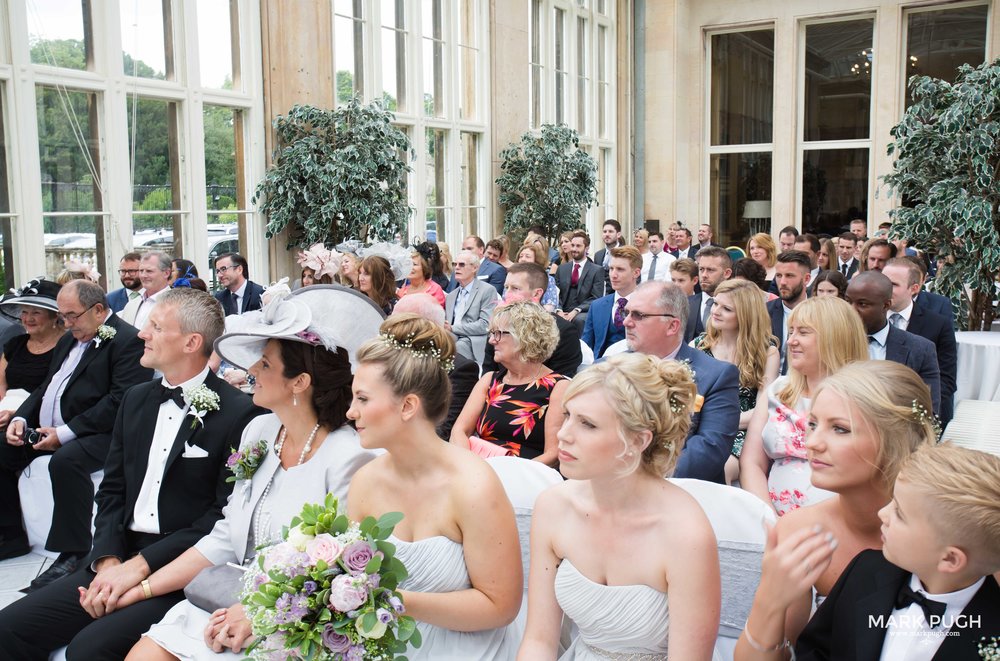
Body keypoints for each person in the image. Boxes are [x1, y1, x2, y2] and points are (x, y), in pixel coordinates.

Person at [0, 288, 262, 660]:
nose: (141, 333)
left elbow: (221, 516)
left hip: (180, 568)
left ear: (191, 342)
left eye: (155, 326)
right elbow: (112, 491)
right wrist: (107, 561)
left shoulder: (240, 413)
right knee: (8, 630)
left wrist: (140, 570)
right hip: (119, 556)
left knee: (89, 649)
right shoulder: (136, 399)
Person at [126, 287, 379, 660]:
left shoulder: (349, 456)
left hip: (294, 615)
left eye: (264, 365)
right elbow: (226, 534)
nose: (251, 371)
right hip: (227, 595)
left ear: (300, 382)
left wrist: (260, 611)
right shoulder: (258, 431)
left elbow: (338, 568)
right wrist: (142, 588)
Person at [518, 353, 721, 660]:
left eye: (587, 424)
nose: (563, 433)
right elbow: (539, 641)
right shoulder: (553, 506)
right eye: (568, 415)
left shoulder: (685, 535)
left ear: (638, 440)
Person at [348, 314, 523, 659]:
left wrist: (392, 602)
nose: (351, 412)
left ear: (408, 406)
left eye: (363, 399)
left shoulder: (472, 485)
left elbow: (501, 606)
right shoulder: (364, 481)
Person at [735, 361, 936, 660]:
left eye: (840, 429)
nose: (812, 443)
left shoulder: (948, 528)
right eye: (813, 424)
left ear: (896, 439)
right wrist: (770, 602)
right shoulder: (801, 531)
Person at [0, 280, 152, 583]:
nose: (66, 324)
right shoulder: (71, 339)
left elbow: (119, 402)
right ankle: (11, 535)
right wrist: (21, 418)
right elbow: (46, 387)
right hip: (55, 427)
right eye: (63, 316)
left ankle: (74, 552)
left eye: (72, 316)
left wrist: (65, 432)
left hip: (107, 434)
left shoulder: (128, 341)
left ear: (98, 310)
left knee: (66, 460)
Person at [794, 444, 1000, 660]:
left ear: (949, 559)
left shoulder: (992, 627)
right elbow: (815, 649)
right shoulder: (865, 571)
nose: (882, 513)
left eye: (900, 513)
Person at [740, 296, 868, 515]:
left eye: (803, 332)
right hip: (772, 524)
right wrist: (770, 520)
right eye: (791, 331)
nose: (791, 341)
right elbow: (752, 462)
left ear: (834, 338)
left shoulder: (864, 399)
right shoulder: (778, 391)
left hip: (840, 523)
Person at [623, 280, 740, 483]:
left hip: (679, 491)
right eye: (626, 313)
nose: (626, 322)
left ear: (672, 326)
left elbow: (708, 451)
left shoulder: (715, 376)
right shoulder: (608, 367)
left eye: (638, 315)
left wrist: (642, 481)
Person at [451, 301, 568, 466]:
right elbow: (459, 431)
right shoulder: (490, 380)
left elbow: (553, 454)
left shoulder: (558, 387)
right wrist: (470, 467)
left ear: (525, 336)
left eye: (498, 333)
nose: (491, 340)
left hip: (525, 477)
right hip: (478, 471)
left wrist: (510, 475)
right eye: (491, 333)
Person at [692, 279, 779, 485]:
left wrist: (717, 421)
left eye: (726, 308)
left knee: (719, 467)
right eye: (715, 304)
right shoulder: (698, 346)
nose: (716, 311)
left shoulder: (767, 353)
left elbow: (763, 408)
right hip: (701, 428)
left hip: (744, 433)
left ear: (745, 315)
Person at [845, 271, 941, 415]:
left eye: (862, 304)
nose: (851, 310)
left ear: (886, 306)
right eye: (848, 302)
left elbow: (928, 412)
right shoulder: (829, 342)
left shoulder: (920, 350)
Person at [392, 294, 479, 441]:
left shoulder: (459, 369)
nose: (392, 328)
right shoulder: (391, 358)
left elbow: (444, 430)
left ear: (426, 327)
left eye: (400, 322)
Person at [883, 258, 957, 426]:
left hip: (916, 420)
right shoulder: (867, 320)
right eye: (883, 282)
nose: (885, 289)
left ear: (914, 289)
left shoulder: (938, 324)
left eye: (893, 285)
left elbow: (946, 379)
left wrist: (912, 411)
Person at [484, 263, 583, 378]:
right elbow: (489, 372)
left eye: (515, 288)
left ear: (537, 293)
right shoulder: (498, 325)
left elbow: (560, 381)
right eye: (506, 287)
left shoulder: (563, 331)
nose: (507, 294)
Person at [0, 280, 64, 428]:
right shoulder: (15, 344)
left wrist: (17, 414)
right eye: (25, 312)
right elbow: (1, 384)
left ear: (55, 316)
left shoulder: (67, 346)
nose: (28, 319)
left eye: (36, 312)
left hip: (42, 423)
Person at [582, 246, 642, 359]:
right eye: (611, 269)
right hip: (600, 369)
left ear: (636, 273)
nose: (613, 275)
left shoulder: (648, 306)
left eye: (620, 269)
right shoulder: (597, 306)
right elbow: (586, 346)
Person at [445, 250, 499, 365]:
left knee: (458, 347)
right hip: (452, 336)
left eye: (461, 264)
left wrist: (453, 328)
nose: (457, 268)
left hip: (474, 338)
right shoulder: (450, 296)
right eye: (455, 264)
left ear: (475, 268)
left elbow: (485, 325)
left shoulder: (487, 290)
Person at [767, 250, 813, 375]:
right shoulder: (763, 313)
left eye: (789, 276)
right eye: (778, 275)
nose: (782, 282)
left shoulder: (820, 315)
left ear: (806, 279)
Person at [555, 230, 604, 330]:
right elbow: (556, 293)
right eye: (572, 245)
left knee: (579, 320)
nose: (574, 249)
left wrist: (576, 310)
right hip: (563, 309)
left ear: (586, 248)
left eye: (578, 246)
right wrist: (559, 310)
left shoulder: (596, 270)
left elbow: (596, 297)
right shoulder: (562, 269)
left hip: (583, 311)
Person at [684, 246, 733, 343]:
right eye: (701, 269)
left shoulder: (737, 306)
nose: (704, 275)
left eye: (710, 270)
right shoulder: (685, 304)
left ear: (727, 273)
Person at [121, 251, 173, 330]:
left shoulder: (176, 304)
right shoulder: (131, 305)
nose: (143, 276)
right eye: (141, 271)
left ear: (166, 273)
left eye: (149, 271)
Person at [516, 241, 559, 311]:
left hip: (538, 317)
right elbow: (505, 301)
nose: (523, 259)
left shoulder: (547, 280)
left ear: (536, 260)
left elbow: (549, 307)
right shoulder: (513, 278)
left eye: (527, 256)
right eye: (521, 256)